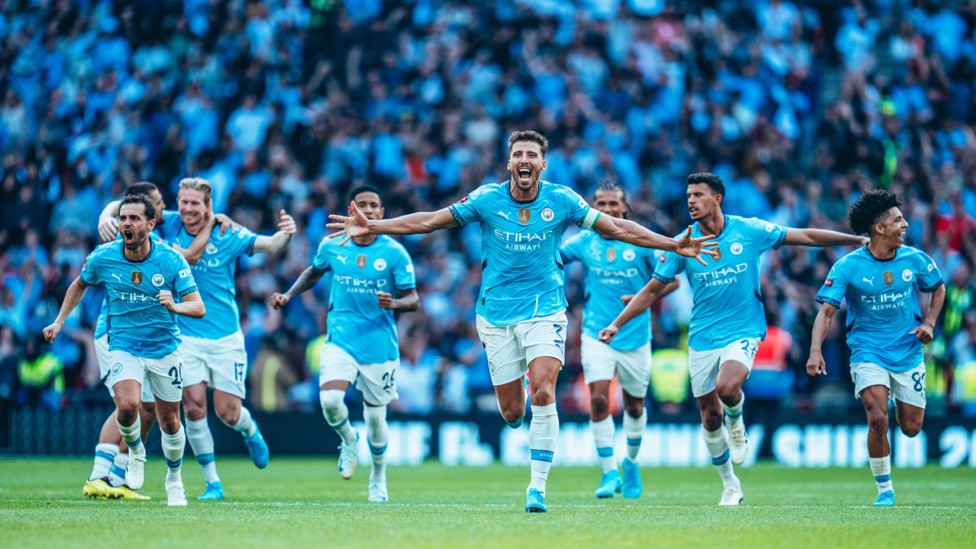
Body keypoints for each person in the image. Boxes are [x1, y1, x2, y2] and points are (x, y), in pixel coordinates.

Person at [327, 130, 717, 513]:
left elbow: (615, 227)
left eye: (532, 155)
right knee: (513, 413)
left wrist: (670, 243)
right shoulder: (486, 199)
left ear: (542, 164)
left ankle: (537, 488)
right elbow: (430, 221)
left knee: (544, 393)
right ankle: (528, 385)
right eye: (519, 155)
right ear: (509, 162)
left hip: (545, 311)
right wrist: (374, 226)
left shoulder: (562, 200)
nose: (525, 161)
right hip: (495, 317)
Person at [599, 172, 864, 506]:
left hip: (743, 330)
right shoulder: (684, 243)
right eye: (688, 195)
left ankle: (737, 420)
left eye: (698, 194)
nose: (691, 201)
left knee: (727, 388)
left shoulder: (749, 230)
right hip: (702, 338)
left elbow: (805, 236)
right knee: (709, 418)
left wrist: (853, 240)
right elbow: (653, 288)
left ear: (717, 199)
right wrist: (617, 324)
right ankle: (730, 485)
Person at [44, 194, 206, 506]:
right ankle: (134, 451)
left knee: (170, 421)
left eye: (133, 219)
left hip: (164, 349)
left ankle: (174, 478)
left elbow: (198, 307)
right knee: (128, 405)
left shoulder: (170, 260)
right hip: (124, 346)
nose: (126, 224)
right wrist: (59, 322)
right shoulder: (104, 256)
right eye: (122, 219)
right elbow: (79, 284)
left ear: (150, 224)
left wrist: (174, 305)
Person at [271, 184, 419, 504]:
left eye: (373, 204)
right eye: (361, 204)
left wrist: (394, 304)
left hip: (380, 344)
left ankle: (378, 478)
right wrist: (288, 294)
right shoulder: (333, 244)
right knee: (330, 401)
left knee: (376, 419)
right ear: (352, 209)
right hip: (341, 338)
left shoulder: (393, 252)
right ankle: (349, 440)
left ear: (381, 213)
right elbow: (313, 272)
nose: (367, 209)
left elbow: (414, 299)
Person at [806, 189, 945, 507]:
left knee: (911, 428)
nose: (905, 224)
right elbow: (826, 311)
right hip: (867, 350)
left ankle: (895, 396)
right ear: (879, 228)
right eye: (898, 220)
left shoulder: (915, 259)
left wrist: (929, 324)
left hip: (908, 351)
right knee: (878, 417)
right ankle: (885, 489)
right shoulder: (847, 267)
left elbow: (938, 288)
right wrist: (816, 351)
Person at [84, 181, 214, 501]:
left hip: (157, 340)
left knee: (155, 411)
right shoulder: (124, 238)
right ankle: (103, 474)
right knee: (129, 404)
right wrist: (106, 212)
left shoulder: (161, 245)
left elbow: (193, 294)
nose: (166, 208)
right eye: (159, 203)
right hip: (117, 333)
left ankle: (122, 472)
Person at [168, 177, 295, 500]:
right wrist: (105, 218)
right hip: (185, 336)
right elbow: (129, 208)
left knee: (227, 412)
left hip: (225, 337)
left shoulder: (229, 232)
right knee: (194, 408)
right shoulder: (166, 225)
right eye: (184, 202)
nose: (188, 209)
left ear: (208, 206)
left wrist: (287, 234)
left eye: (195, 203)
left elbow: (270, 245)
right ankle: (213, 483)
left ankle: (249, 430)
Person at [559, 180, 678, 500]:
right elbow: (552, 257)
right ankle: (610, 471)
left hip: (636, 336)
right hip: (596, 332)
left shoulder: (641, 242)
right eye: (601, 204)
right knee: (598, 399)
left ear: (625, 208)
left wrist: (641, 297)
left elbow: (673, 281)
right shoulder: (583, 242)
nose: (608, 209)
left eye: (614, 204)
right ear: (593, 208)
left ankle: (632, 462)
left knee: (635, 406)